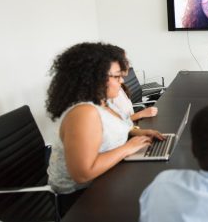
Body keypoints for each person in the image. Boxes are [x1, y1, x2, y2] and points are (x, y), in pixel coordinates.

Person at [45, 42, 161, 216]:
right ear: (93, 78)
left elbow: (116, 126)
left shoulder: (104, 102)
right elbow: (83, 174)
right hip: (81, 200)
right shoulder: (83, 113)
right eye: (116, 76)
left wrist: (137, 132)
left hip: (106, 180)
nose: (121, 81)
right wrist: (127, 148)